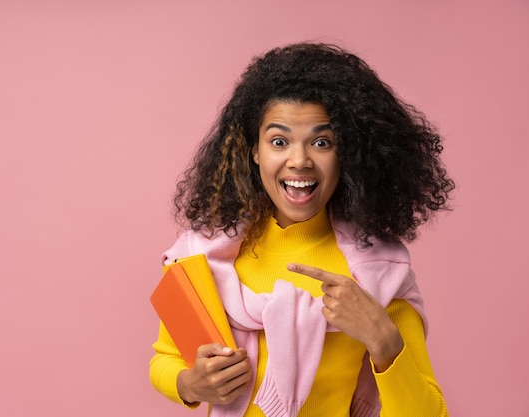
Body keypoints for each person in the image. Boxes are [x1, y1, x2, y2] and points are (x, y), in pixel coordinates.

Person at [149, 42, 454, 417]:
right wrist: (190, 384)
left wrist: (384, 340)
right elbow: (165, 359)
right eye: (279, 141)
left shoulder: (379, 276)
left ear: (348, 154)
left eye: (322, 142)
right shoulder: (204, 256)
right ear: (255, 151)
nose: (299, 161)